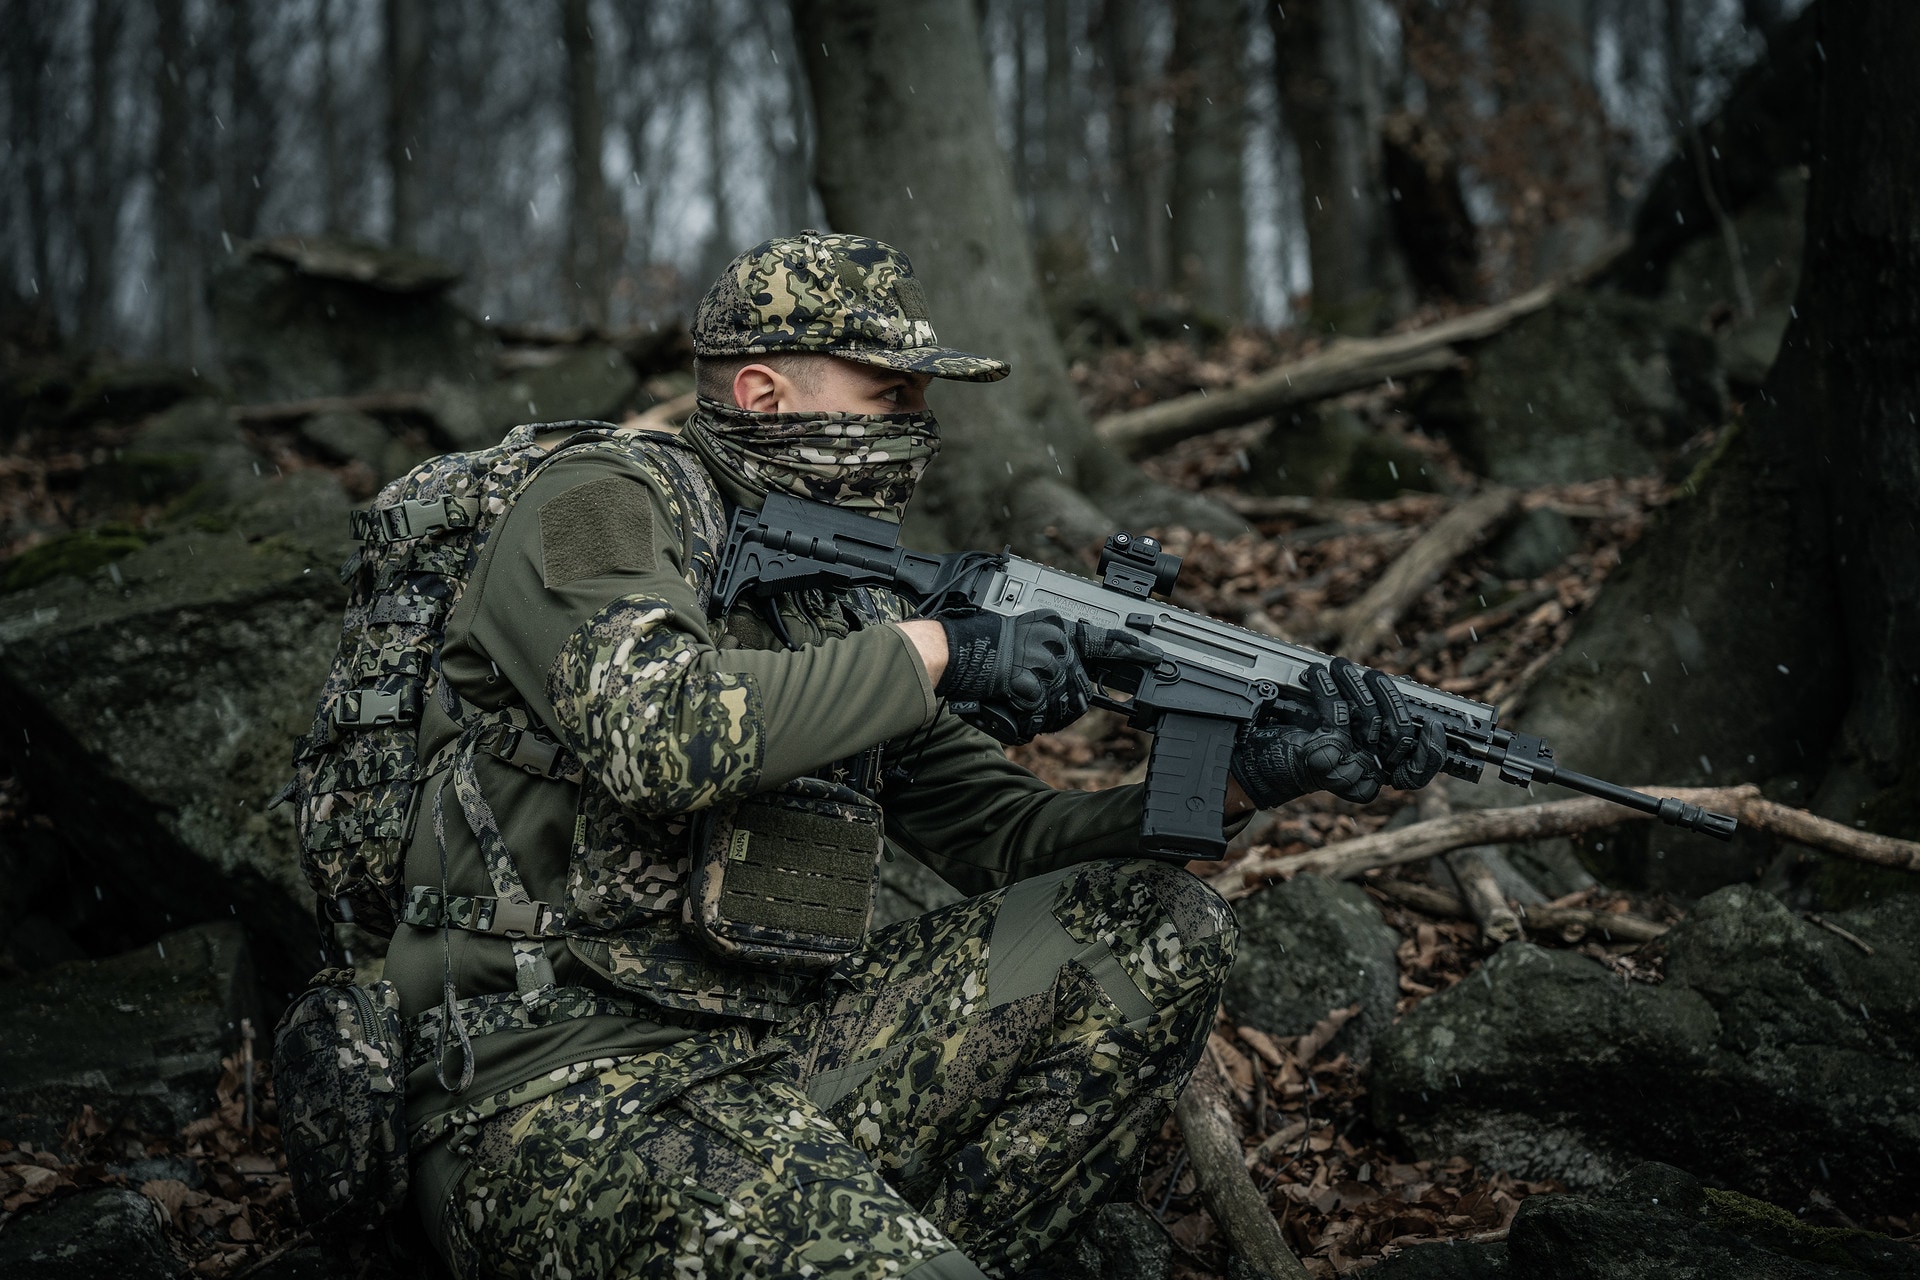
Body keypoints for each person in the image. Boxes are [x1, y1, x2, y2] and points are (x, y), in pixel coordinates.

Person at [388, 231, 1445, 1280]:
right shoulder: (593, 503)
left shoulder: (838, 595)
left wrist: (1251, 774)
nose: (918, 425)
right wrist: (945, 649)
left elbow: (1013, 838)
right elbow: (659, 731)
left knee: (1155, 927)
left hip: (775, 1063)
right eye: (890, 395)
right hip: (552, 1091)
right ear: (761, 394)